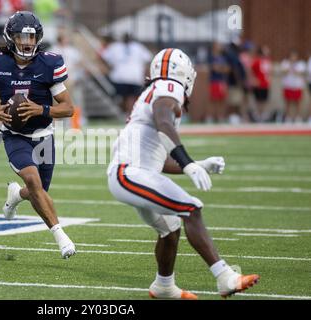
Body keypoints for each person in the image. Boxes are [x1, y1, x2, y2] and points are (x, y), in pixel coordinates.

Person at [107, 48, 259, 299]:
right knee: (191, 208)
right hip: (129, 173)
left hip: (133, 173)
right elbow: (163, 120)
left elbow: (157, 160)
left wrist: (199, 163)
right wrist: (188, 163)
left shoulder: (153, 90)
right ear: (186, 75)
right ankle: (225, 277)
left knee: (170, 227)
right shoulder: (170, 86)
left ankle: (163, 286)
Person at [0, 11, 76, 259]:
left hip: (44, 134)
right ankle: (61, 236)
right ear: (11, 37)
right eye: (21, 36)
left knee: (36, 191)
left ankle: (15, 196)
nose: (27, 42)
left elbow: (68, 108)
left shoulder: (48, 63)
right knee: (32, 180)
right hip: (15, 134)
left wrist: (41, 109)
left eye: (31, 37)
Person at [101, 33, 152, 116]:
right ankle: (129, 114)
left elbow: (103, 57)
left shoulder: (115, 46)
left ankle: (127, 114)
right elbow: (148, 59)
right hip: (134, 76)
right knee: (130, 97)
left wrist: (109, 67)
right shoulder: (138, 47)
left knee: (125, 97)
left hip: (120, 76)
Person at [280, 51, 307, 123]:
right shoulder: (285, 63)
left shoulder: (300, 64)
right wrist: (290, 66)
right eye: (292, 56)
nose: (293, 58)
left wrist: (294, 69)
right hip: (288, 85)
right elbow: (283, 72)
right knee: (287, 102)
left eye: (294, 56)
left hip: (297, 86)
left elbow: (301, 73)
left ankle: (298, 117)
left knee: (298, 102)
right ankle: (288, 117)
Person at [207, 42, 229, 123]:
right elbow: (214, 68)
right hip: (214, 81)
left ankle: (220, 116)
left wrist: (220, 68)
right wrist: (221, 68)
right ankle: (210, 116)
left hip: (221, 81)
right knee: (213, 99)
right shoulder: (211, 57)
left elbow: (227, 69)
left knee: (221, 99)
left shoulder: (223, 57)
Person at [251, 45, 272, 122]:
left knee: (264, 100)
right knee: (258, 100)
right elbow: (251, 70)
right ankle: (258, 114)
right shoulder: (257, 61)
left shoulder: (268, 61)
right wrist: (253, 79)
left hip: (266, 83)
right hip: (259, 83)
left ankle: (262, 114)